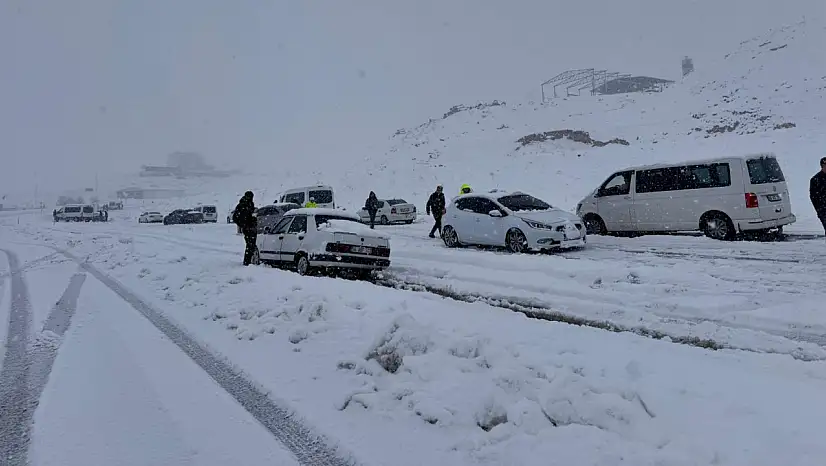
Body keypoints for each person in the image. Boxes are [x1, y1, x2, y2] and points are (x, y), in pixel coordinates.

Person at [233, 191, 258, 266]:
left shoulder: (249, 204)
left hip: (251, 226)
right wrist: (243, 224)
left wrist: (253, 218)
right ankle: (247, 262)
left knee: (251, 245)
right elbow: (236, 217)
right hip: (248, 227)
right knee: (250, 245)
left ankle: (249, 261)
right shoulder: (242, 205)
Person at [810, 156, 826, 236]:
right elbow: (814, 197)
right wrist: (820, 211)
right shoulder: (816, 180)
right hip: (824, 210)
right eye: (825, 166)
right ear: (822, 166)